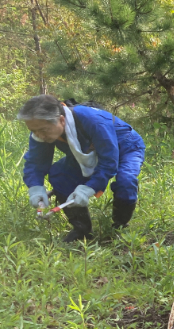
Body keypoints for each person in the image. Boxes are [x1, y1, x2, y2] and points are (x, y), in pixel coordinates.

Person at [19, 95, 145, 242]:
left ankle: (120, 227)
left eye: (43, 130)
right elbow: (35, 162)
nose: (39, 135)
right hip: (87, 151)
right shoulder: (41, 131)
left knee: (126, 180)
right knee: (60, 175)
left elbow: (108, 162)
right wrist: (35, 187)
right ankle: (82, 231)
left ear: (61, 120)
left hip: (125, 146)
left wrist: (89, 188)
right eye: (34, 131)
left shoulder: (94, 121)